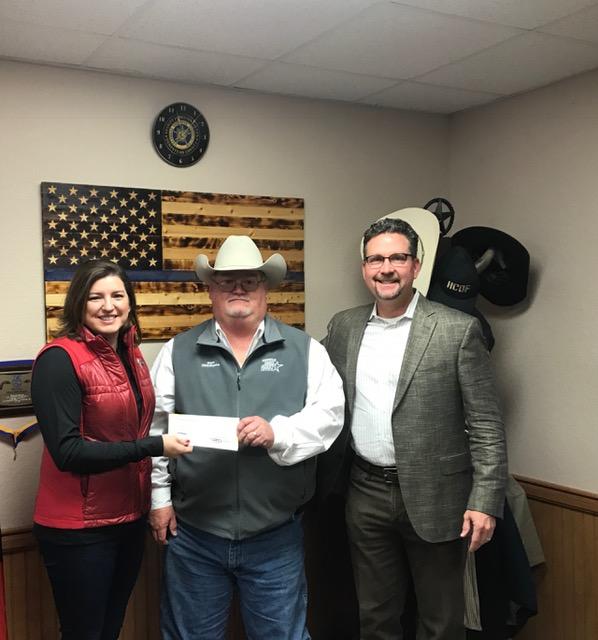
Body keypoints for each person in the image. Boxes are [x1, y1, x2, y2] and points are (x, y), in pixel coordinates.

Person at [320, 218, 508, 640]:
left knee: (440, 622)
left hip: (438, 496)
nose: (386, 268)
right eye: (376, 259)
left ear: (416, 266)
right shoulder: (344, 327)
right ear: (364, 268)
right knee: (375, 617)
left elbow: (486, 424)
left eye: (397, 258)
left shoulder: (458, 330)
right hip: (364, 491)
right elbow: (320, 396)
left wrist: (485, 500)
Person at [149, 235, 344, 640]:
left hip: (275, 536)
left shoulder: (306, 350)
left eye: (250, 281)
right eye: (226, 281)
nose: (238, 289)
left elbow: (330, 418)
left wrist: (279, 432)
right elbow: (156, 430)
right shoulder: (176, 352)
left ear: (265, 288)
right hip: (194, 534)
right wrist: (160, 500)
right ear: (210, 290)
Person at [31, 260, 192, 640]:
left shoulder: (131, 354)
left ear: (130, 302)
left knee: (109, 628)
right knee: (84, 632)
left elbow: (136, 423)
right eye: (95, 297)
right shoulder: (59, 358)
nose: (108, 306)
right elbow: (68, 452)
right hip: (79, 528)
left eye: (117, 295)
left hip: (127, 519)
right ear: (78, 304)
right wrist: (155, 446)